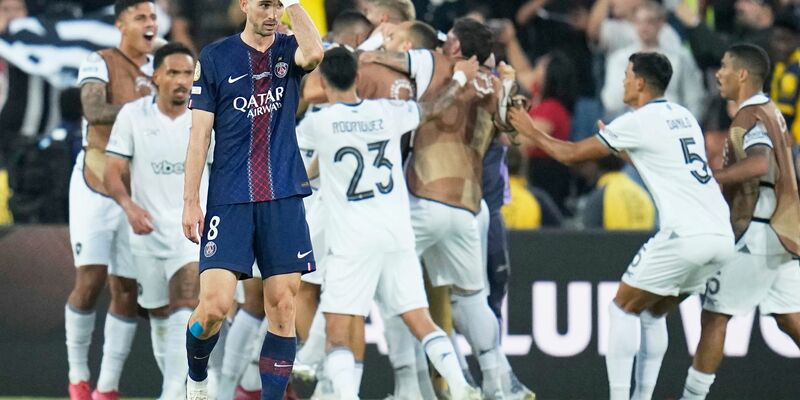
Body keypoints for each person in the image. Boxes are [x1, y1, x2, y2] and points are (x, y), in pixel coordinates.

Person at [508, 51, 735, 400]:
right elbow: (663, 161)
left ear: (641, 82)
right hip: (720, 235)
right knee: (652, 313)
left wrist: (528, 129)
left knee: (621, 308)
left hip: (685, 235)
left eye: (628, 74)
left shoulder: (637, 121)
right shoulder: (683, 115)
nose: (624, 80)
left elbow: (568, 154)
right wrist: (619, 147)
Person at [364, 17, 535, 400]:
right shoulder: (492, 82)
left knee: (396, 291)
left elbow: (379, 61)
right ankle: (496, 383)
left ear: (456, 47)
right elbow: (515, 133)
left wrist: (378, 42)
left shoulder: (431, 62)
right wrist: (507, 83)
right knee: (471, 298)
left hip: (423, 200)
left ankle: (410, 387)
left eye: (450, 40)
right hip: (468, 210)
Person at [301, 45, 481, 400]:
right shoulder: (387, 111)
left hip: (352, 239)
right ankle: (461, 386)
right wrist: (460, 78)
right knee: (420, 319)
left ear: (322, 79)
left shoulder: (317, 124)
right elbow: (433, 108)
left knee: (337, 330)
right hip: (396, 234)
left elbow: (306, 164)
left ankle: (346, 396)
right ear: (357, 77)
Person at [181, 0, 324, 398]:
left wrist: (294, 5)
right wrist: (191, 199)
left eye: (279, 6)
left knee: (282, 306)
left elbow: (315, 53)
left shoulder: (288, 48)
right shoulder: (215, 57)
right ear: (244, 5)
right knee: (214, 307)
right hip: (230, 199)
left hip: (283, 195)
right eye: (265, 4)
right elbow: (199, 136)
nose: (272, 13)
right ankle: (196, 377)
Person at [680, 44, 800, 400]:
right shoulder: (772, 112)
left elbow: (761, 164)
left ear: (742, 74)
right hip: (784, 232)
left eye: (724, 66)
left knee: (715, 316)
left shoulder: (750, 117)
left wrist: (715, 176)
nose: (718, 74)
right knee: (790, 317)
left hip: (759, 233)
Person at [65, 1, 157, 399]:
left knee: (126, 289)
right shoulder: (98, 60)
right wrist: (148, 110)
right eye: (141, 17)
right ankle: (77, 377)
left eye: (153, 17)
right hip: (96, 181)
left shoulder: (167, 65)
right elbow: (93, 109)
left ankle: (107, 387)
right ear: (121, 24)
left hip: (139, 187)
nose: (150, 23)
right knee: (90, 280)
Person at [102, 42, 202, 400]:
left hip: (191, 232)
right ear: (155, 76)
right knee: (159, 315)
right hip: (146, 233)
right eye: (174, 73)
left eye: (188, 73)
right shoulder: (132, 115)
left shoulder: (204, 116)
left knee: (186, 303)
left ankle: (172, 393)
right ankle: (184, 388)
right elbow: (111, 171)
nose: (181, 81)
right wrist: (128, 206)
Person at [602, 1, 705, 119]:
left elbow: (694, 98)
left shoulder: (679, 57)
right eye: (639, 22)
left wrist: (688, 125)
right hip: (633, 124)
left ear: (661, 24)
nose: (644, 27)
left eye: (649, 21)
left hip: (671, 124)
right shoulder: (620, 59)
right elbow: (611, 102)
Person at [578, 155, 655, 230]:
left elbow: (589, 238)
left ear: (595, 164)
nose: (583, 170)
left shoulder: (599, 196)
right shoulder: (640, 192)